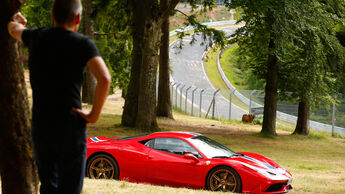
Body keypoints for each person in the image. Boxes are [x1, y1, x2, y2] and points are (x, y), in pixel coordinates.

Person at [7, 0, 111, 193]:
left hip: (42, 124)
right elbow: (104, 78)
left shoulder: (37, 37)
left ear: (52, 16)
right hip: (70, 124)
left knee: (48, 185)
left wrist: (17, 19)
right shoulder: (82, 44)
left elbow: (13, 30)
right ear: (78, 18)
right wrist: (93, 115)